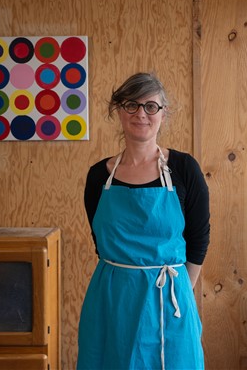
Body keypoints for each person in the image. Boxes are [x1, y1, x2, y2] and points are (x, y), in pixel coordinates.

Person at [77, 72, 210, 370]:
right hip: (113, 300)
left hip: (170, 299)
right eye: (131, 105)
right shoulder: (98, 176)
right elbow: (101, 242)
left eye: (151, 106)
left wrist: (180, 291)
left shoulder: (184, 169)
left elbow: (198, 240)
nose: (141, 114)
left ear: (163, 113)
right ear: (118, 110)